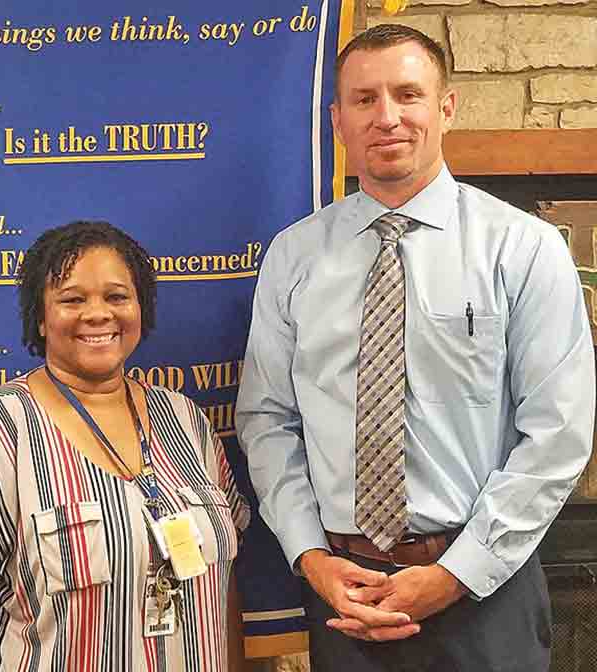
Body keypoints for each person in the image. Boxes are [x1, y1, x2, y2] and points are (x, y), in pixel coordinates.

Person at [236, 24, 594, 671]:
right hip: (344, 595)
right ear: (337, 119)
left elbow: (558, 433)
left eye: (408, 94)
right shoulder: (293, 257)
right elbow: (267, 420)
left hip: (485, 590)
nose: (388, 117)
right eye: (365, 99)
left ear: (446, 107)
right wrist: (313, 559)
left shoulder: (524, 248)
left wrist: (456, 574)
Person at [0, 221, 250, 671]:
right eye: (72, 299)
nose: (98, 314)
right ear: (40, 315)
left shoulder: (188, 421)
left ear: (141, 308)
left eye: (117, 297)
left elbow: (221, 582)